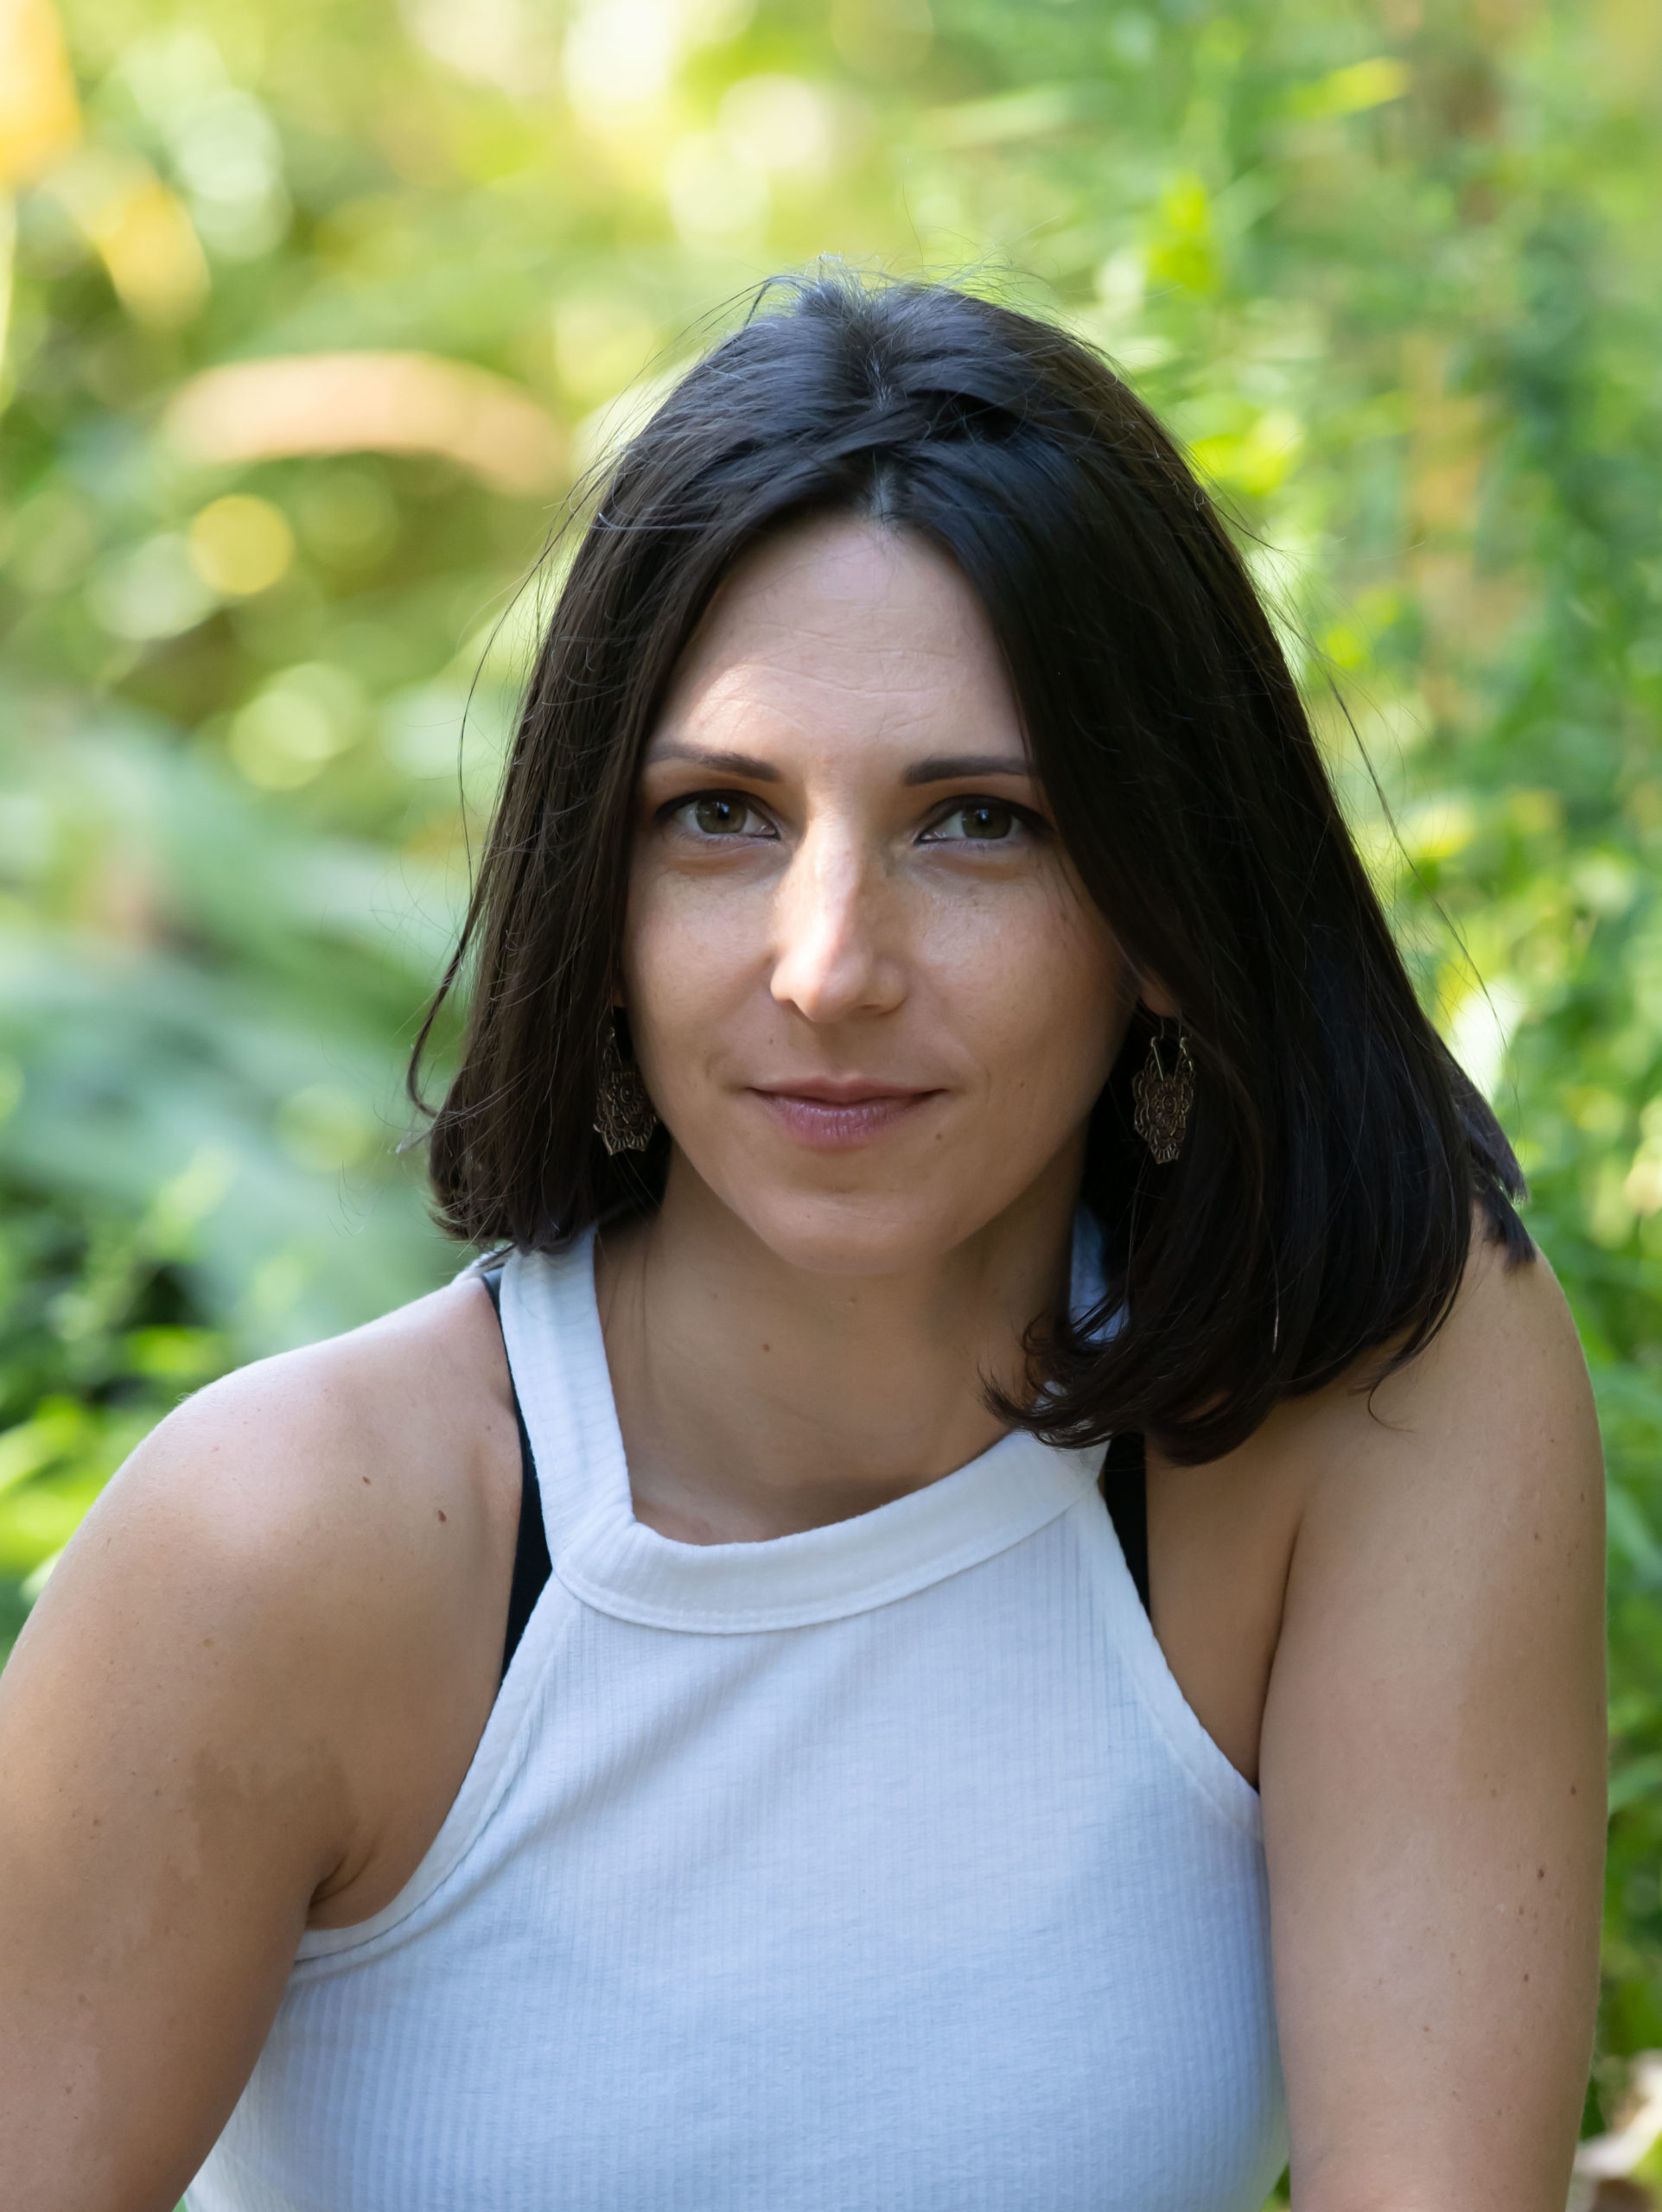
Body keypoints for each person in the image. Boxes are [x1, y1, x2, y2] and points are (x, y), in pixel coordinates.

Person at [0, 274, 1605, 2212]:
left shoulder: (1372, 1392)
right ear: (598, 899)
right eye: (722, 816)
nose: (830, 967)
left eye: (978, 822)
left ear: (1169, 909)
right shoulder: (281, 1544)